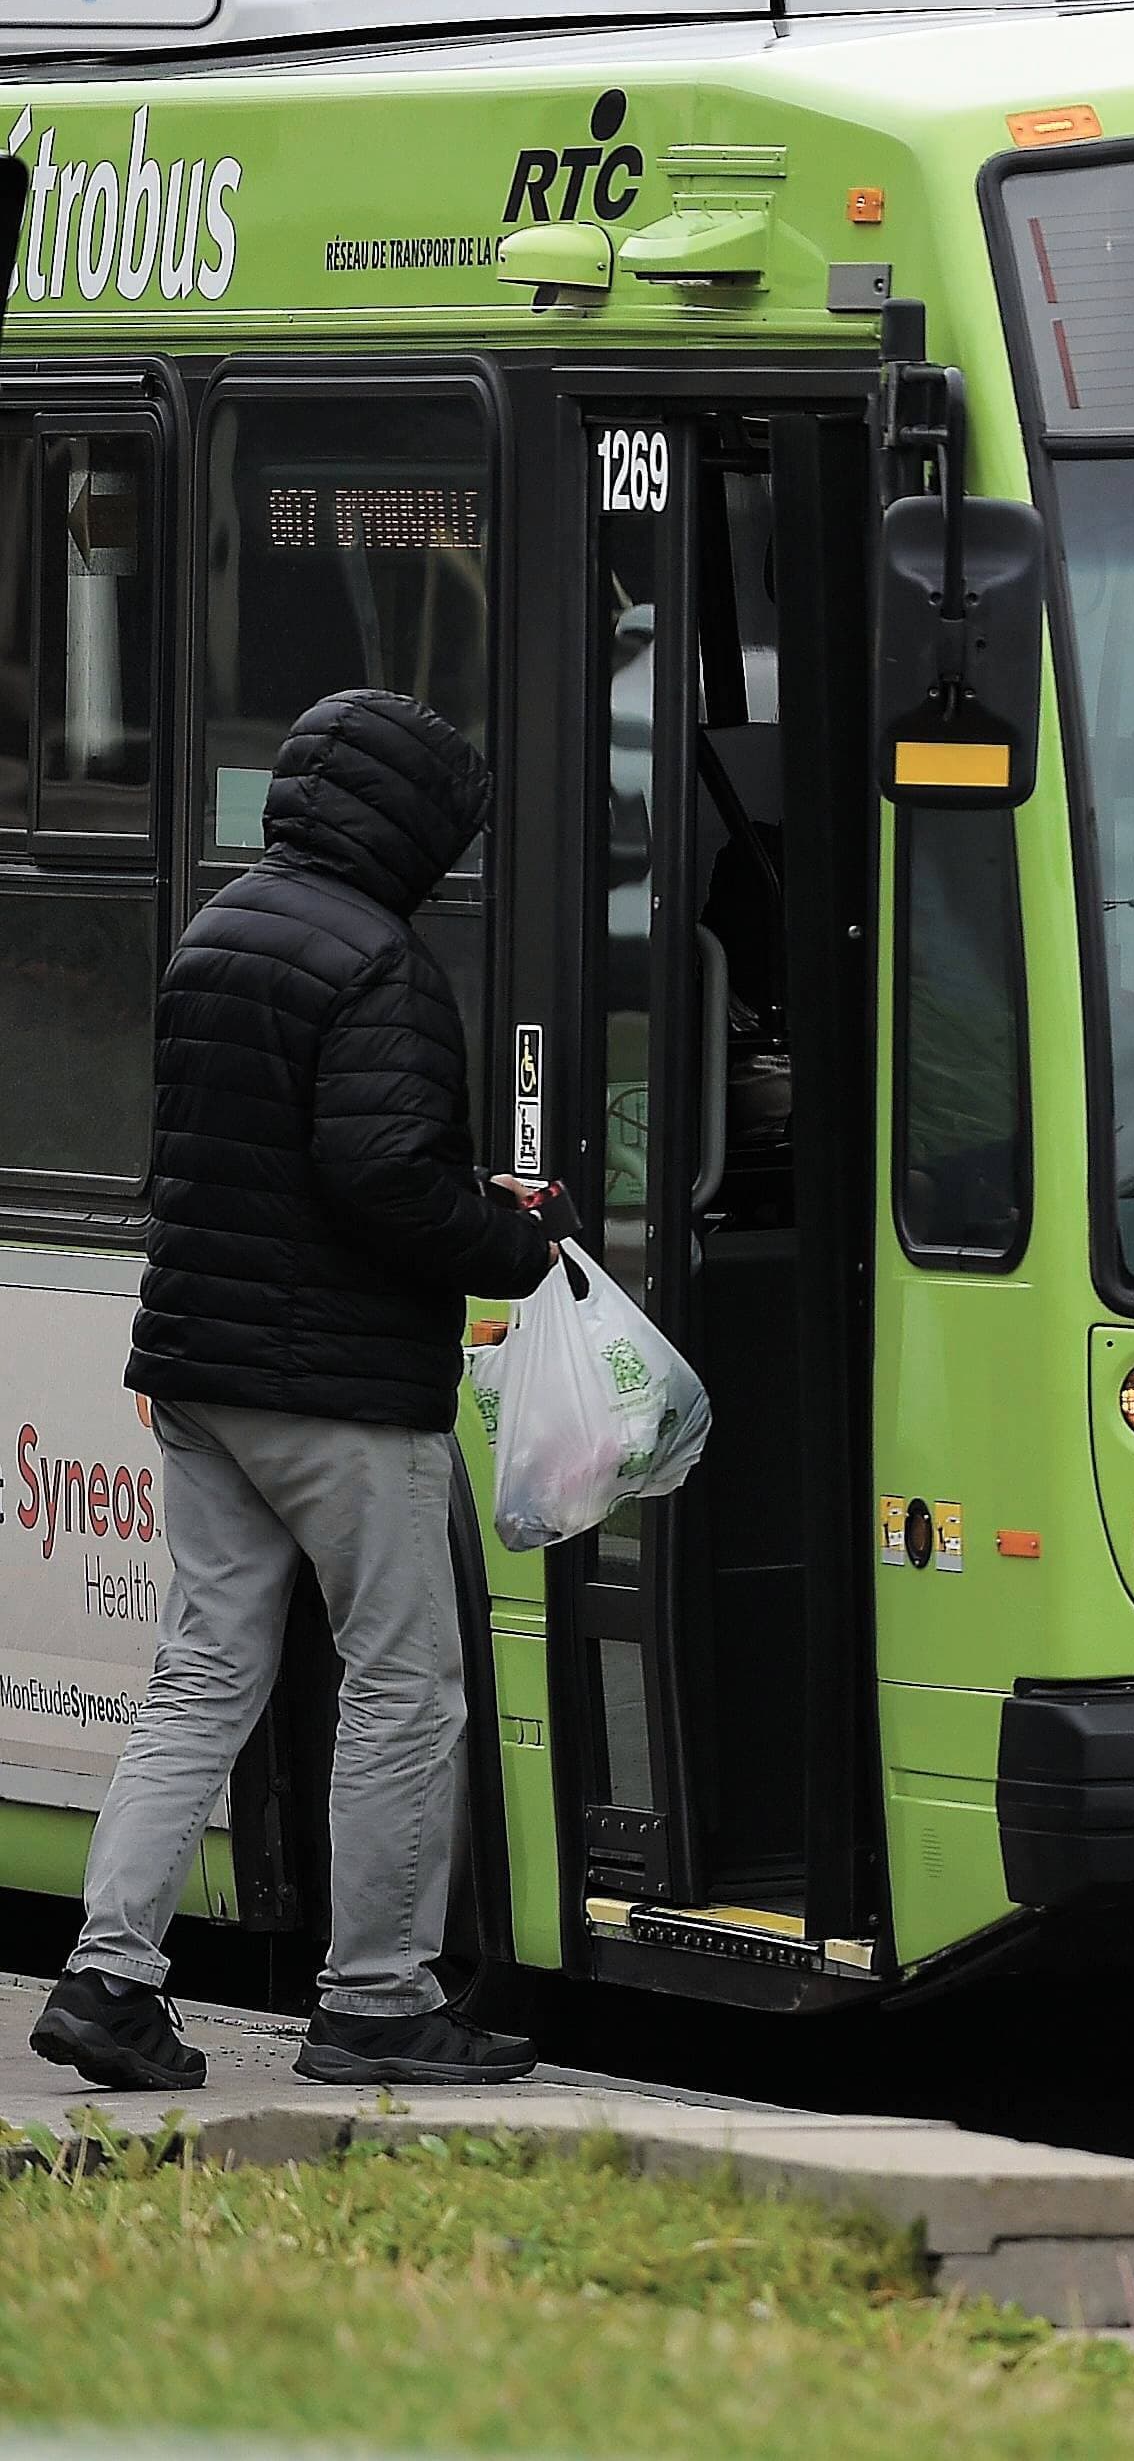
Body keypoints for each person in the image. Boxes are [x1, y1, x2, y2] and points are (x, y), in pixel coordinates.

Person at [27, 691, 561, 2094]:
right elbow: (380, 1176)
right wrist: (510, 1234)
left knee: (202, 1673)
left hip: (202, 1369)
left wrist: (443, 1187)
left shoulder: (221, 929)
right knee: (406, 1683)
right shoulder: (380, 960)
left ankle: (110, 1977)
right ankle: (377, 1997)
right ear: (404, 824)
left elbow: (259, 1153)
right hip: (335, 1390)